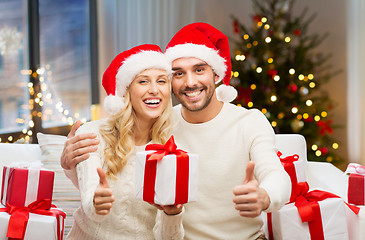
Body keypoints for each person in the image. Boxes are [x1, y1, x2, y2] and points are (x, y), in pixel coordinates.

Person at [62, 23, 291, 240]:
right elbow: (115, 163)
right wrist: (69, 164)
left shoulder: (248, 121)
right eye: (178, 73)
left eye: (199, 70)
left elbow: (275, 174)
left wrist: (265, 196)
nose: (190, 82)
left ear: (216, 74)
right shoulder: (160, 123)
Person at [65, 44, 184, 240]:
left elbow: (169, 238)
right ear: (127, 90)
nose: (154, 90)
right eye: (143, 81)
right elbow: (89, 198)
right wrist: (96, 202)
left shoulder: (173, 146)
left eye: (161, 81)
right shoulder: (93, 133)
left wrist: (172, 214)